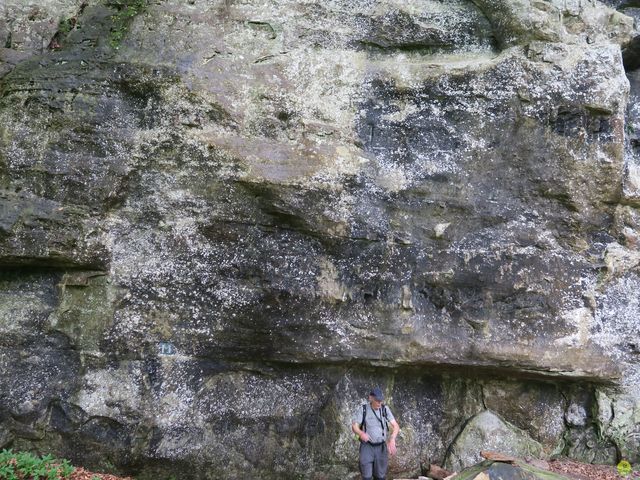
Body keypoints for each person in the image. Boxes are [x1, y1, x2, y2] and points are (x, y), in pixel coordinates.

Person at [351, 386, 400, 480]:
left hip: (381, 447)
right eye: (377, 400)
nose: (379, 403)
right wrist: (361, 433)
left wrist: (392, 439)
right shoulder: (364, 409)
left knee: (380, 476)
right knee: (366, 476)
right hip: (367, 446)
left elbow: (396, 426)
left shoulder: (385, 409)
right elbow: (354, 426)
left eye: (381, 400)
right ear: (371, 398)